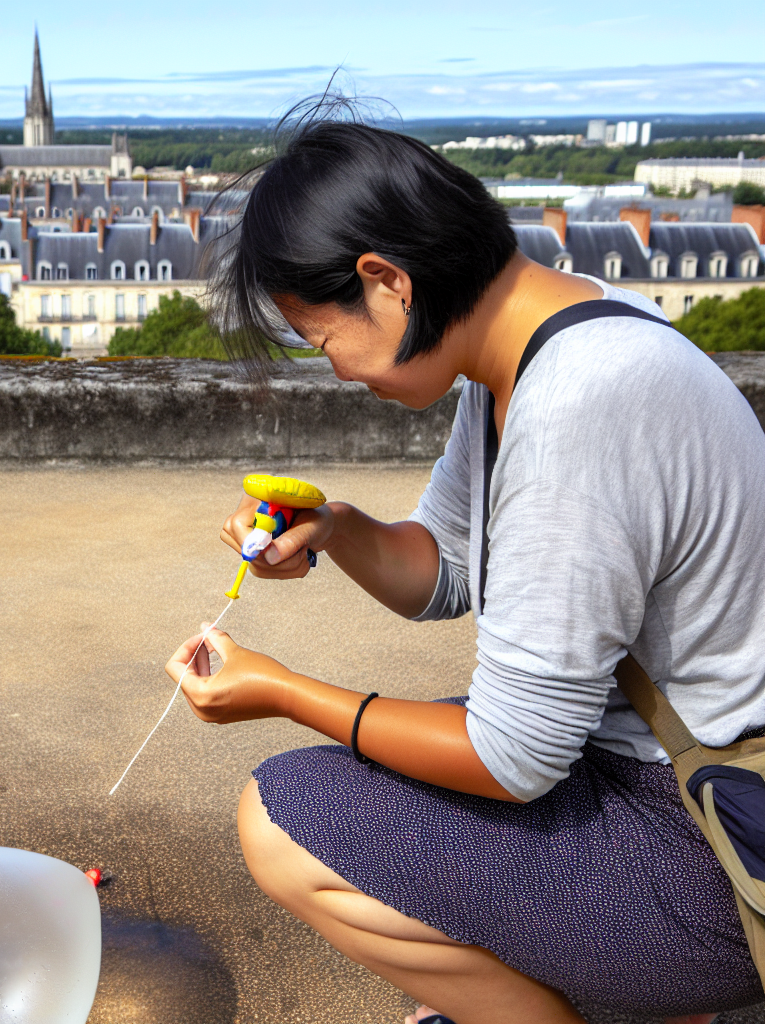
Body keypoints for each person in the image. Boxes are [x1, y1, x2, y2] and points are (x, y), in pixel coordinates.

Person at [164, 115, 765, 1024]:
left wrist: (281, 690)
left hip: (712, 842)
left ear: (388, 283)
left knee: (282, 818)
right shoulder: (551, 336)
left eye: (322, 340)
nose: (336, 372)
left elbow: (512, 757)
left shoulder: (575, 412)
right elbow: (446, 569)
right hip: (667, 774)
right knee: (386, 778)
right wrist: (335, 528)